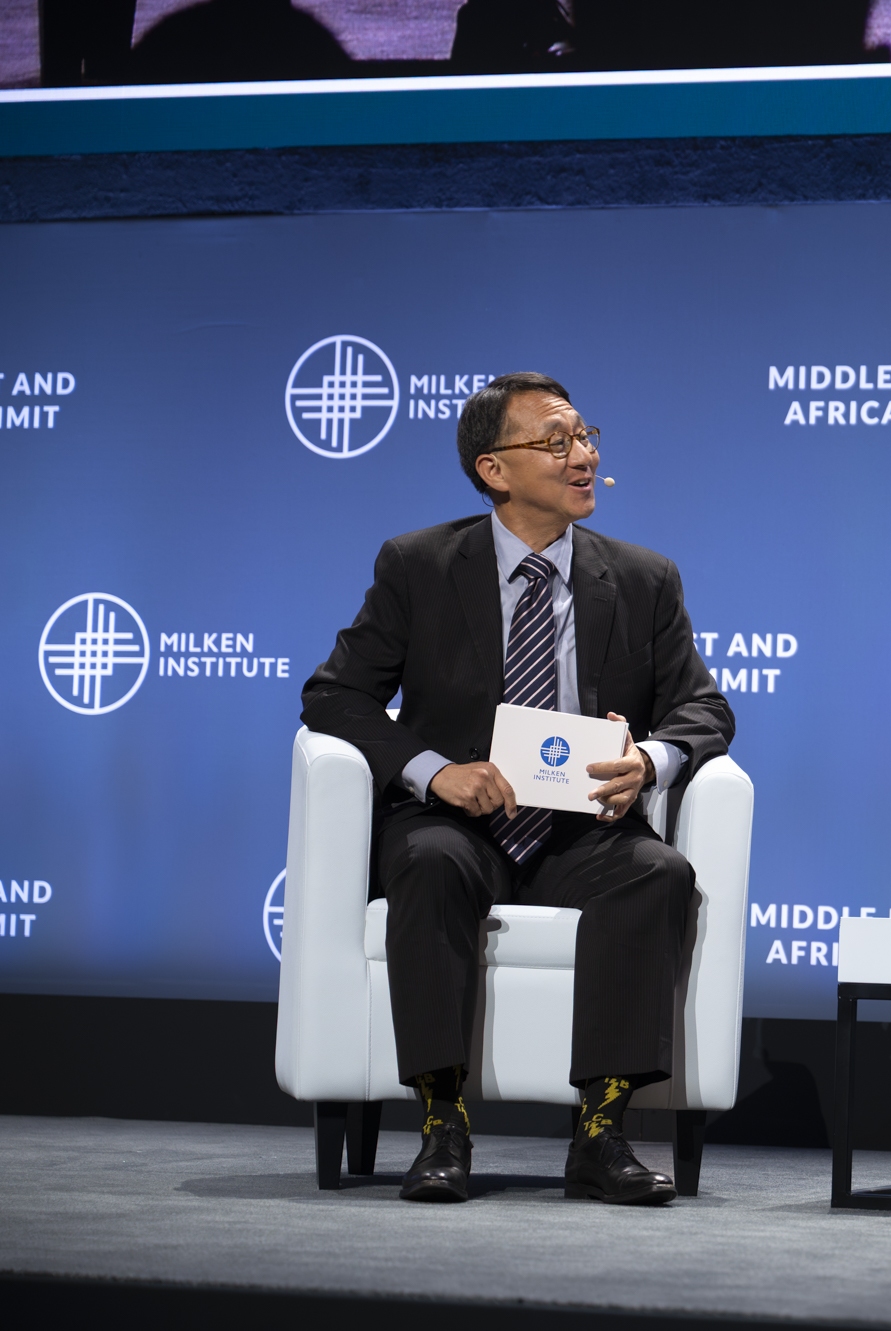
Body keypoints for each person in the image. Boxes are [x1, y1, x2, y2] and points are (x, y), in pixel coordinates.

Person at [301, 372, 733, 1206]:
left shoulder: (643, 577)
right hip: (457, 824)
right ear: (493, 469)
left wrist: (648, 760)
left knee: (658, 873)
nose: (584, 456)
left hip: (580, 829)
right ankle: (442, 1126)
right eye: (557, 441)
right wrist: (433, 770)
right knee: (428, 861)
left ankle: (601, 1134)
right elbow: (335, 694)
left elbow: (704, 707)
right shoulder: (419, 565)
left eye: (586, 437)